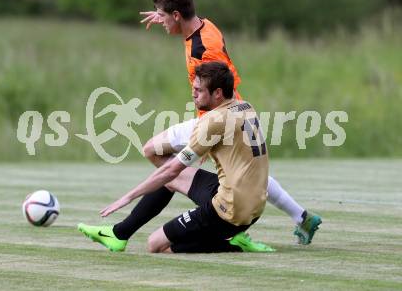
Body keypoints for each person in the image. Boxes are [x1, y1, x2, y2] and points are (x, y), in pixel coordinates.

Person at [79, 0, 321, 252]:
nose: (160, 21)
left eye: (163, 16)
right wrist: (164, 14)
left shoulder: (203, 49)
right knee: (240, 172)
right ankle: (299, 216)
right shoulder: (204, 26)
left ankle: (221, 223)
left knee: (157, 154)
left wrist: (205, 136)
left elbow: (216, 89)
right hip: (228, 112)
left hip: (222, 115)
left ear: (177, 15)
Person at [78, 62, 276, 253]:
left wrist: (127, 197)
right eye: (193, 87)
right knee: (170, 178)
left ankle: (233, 244)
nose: (193, 93)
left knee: (155, 244)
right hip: (254, 206)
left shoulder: (212, 121)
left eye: (199, 90)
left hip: (231, 212)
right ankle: (119, 234)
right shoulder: (245, 106)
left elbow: (171, 169)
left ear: (217, 93)